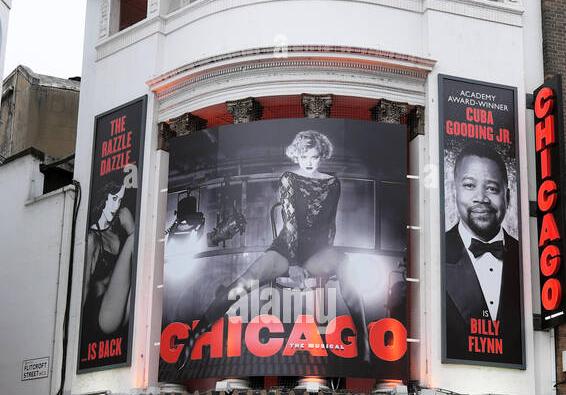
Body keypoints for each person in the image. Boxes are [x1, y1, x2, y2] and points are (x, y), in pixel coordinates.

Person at [173, 130, 368, 371]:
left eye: (314, 157)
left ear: (321, 156)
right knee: (239, 286)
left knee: (344, 261)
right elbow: (290, 222)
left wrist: (327, 262)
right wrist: (295, 264)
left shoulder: (333, 183)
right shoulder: (289, 178)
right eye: (304, 156)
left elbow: (330, 224)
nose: (309, 162)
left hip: (317, 250)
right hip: (287, 248)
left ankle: (364, 341)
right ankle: (192, 338)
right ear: (296, 155)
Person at [441, 141, 522, 363]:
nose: (482, 198)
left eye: (492, 188)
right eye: (469, 185)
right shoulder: (433, 253)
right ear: (452, 190)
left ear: (507, 196)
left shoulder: (527, 258)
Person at [82, 176, 137, 345]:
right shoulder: (91, 239)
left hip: (123, 311)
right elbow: (83, 285)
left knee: (141, 260)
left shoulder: (115, 232)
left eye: (120, 199)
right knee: (135, 238)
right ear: (103, 197)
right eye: (113, 198)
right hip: (101, 315)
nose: (116, 205)